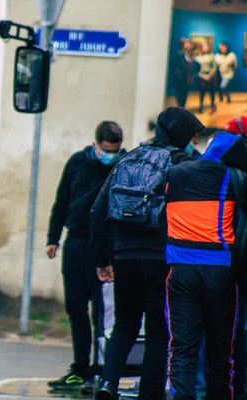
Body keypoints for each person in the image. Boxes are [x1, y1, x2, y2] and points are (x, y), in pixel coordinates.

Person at [91, 107, 204, 400]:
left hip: (124, 257)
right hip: (161, 258)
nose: (194, 142)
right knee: (158, 329)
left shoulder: (129, 158)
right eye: (192, 136)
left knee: (125, 324)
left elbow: (97, 212)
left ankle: (108, 385)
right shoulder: (182, 162)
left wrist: (102, 260)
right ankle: (150, 392)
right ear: (180, 134)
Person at [166, 127, 247, 400]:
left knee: (183, 350)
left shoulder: (176, 173)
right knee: (219, 353)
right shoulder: (232, 177)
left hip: (180, 270)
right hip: (218, 271)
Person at [46, 121, 125, 391]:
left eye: (115, 150)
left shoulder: (123, 166)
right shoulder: (78, 163)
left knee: (101, 314)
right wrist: (52, 239)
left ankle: (100, 370)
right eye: (106, 150)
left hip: (104, 248)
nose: (110, 155)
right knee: (76, 309)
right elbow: (61, 200)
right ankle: (80, 368)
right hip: (76, 244)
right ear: (95, 145)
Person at [174, 39, 200, 109]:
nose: (189, 45)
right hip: (180, 79)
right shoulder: (179, 54)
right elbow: (175, 66)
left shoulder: (188, 54)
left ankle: (182, 108)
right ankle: (180, 109)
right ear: (183, 45)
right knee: (180, 95)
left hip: (187, 79)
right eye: (188, 44)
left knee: (185, 94)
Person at [195, 43, 218, 114]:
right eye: (204, 47)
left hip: (211, 77)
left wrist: (209, 75)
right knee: (202, 92)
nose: (205, 49)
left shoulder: (211, 56)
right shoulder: (197, 58)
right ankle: (200, 106)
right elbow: (196, 70)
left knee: (212, 92)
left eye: (207, 47)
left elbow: (215, 67)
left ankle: (212, 106)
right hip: (202, 77)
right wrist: (202, 76)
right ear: (201, 48)